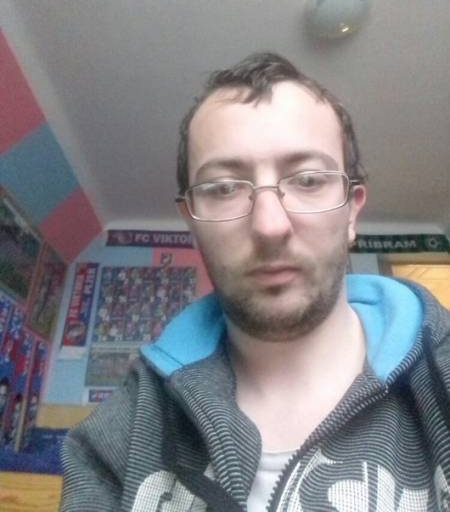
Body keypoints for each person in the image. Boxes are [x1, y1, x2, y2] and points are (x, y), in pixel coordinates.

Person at [62, 53, 450, 511]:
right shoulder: (113, 444)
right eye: (224, 188)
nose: (270, 226)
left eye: (308, 179)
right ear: (192, 221)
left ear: (351, 211)